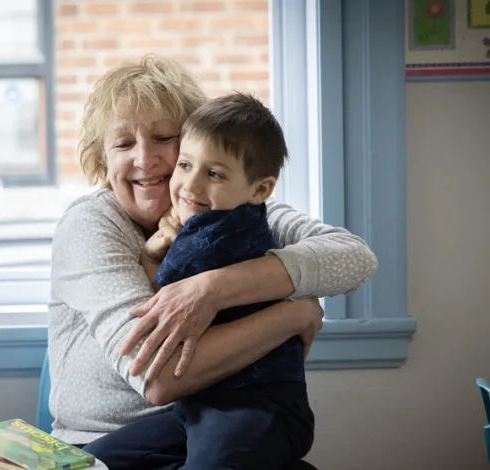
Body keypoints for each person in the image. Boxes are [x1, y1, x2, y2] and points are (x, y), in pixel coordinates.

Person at [47, 54, 377, 457]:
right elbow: (159, 375)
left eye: (164, 139)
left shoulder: (228, 207)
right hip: (101, 442)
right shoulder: (92, 224)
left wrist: (213, 289)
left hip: (217, 425)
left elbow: (354, 257)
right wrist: (294, 314)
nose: (145, 159)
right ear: (103, 157)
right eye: (123, 143)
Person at [83, 93, 314, 470]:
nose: (190, 185)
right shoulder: (228, 219)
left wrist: (150, 252)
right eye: (186, 165)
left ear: (261, 190)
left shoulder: (210, 238)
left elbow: (155, 300)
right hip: (199, 407)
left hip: (257, 406)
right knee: (99, 460)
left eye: (215, 174)